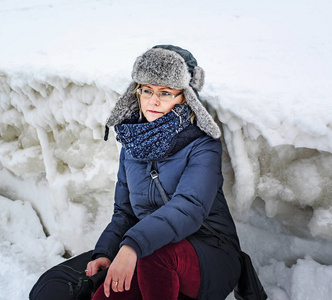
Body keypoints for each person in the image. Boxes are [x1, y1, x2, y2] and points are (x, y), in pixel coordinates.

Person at [87, 45, 241, 300]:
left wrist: (132, 246)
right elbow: (125, 211)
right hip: (149, 248)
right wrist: (105, 251)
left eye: (166, 92)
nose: (153, 101)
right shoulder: (132, 143)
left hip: (209, 253)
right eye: (147, 90)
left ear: (184, 97)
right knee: (105, 296)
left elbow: (189, 207)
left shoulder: (202, 144)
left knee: (156, 257)